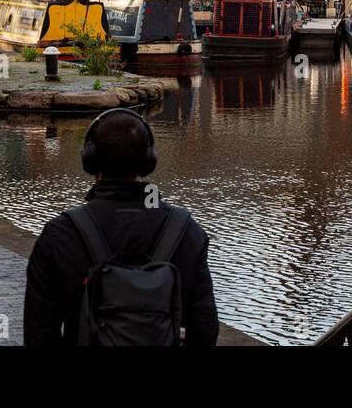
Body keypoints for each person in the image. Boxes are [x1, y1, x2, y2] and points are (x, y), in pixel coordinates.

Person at [23, 109, 219, 346]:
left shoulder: (60, 234)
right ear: (148, 161)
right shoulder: (186, 231)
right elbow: (204, 328)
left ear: (90, 159)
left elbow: (39, 332)